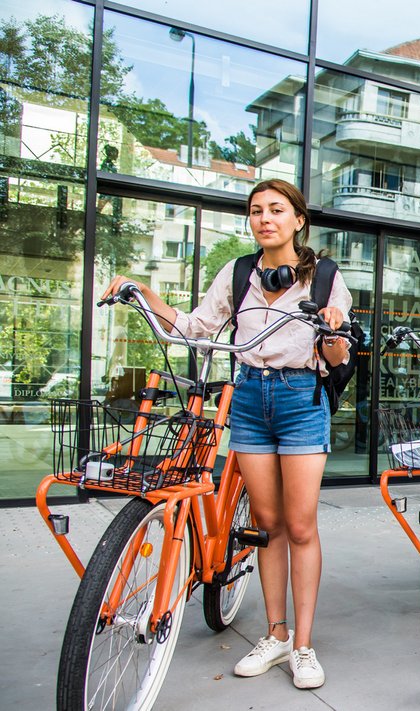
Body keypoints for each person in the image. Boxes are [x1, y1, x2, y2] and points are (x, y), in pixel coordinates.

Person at [100, 179, 351, 689]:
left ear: (299, 220)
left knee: (300, 527)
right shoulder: (238, 274)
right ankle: (276, 633)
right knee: (267, 523)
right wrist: (144, 291)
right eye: (256, 211)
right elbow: (192, 326)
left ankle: (303, 645)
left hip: (302, 399)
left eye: (277, 210)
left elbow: (338, 357)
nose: (265, 219)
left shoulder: (324, 277)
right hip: (250, 399)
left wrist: (332, 329)